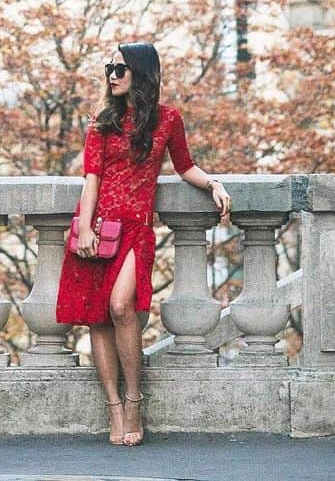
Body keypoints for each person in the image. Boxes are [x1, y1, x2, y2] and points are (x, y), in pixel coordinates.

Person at [55, 41, 231, 447]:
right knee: (98, 317)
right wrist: (84, 227)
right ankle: (114, 407)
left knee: (121, 306)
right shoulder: (102, 121)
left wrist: (215, 184)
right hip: (98, 227)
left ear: (142, 73)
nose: (112, 76)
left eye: (120, 69)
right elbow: (92, 178)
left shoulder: (167, 119)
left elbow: (185, 166)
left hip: (136, 230)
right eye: (109, 70)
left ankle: (134, 400)